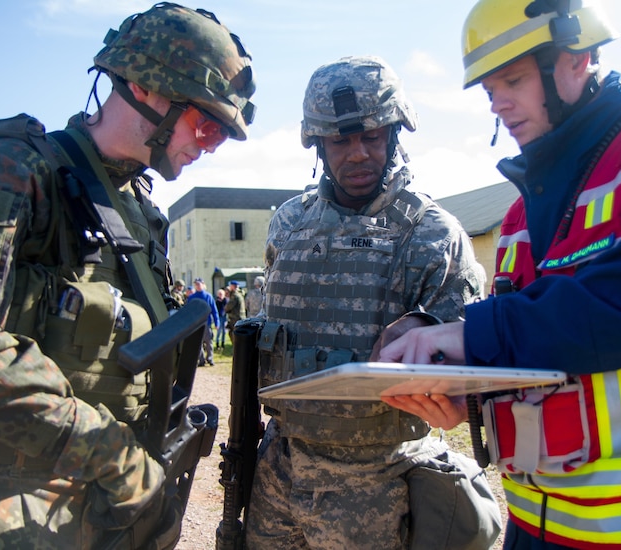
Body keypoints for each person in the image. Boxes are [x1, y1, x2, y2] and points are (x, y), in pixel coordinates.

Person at [378, 1, 621, 548]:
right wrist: (472, 394)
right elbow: (559, 356)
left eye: (513, 78)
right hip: (539, 531)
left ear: (577, 58)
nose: (499, 103)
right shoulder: (515, 221)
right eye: (489, 90)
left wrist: (476, 334)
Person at [0, 3, 255, 548]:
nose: (210, 142)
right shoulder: (8, 168)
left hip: (93, 508)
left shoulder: (143, 212)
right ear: (146, 89)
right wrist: (110, 454)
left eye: (222, 134)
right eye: (206, 121)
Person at [245, 55, 501, 550]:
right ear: (318, 145)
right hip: (280, 467)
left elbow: (466, 367)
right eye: (341, 140)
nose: (358, 154)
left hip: (375, 481)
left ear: (395, 134)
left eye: (372, 137)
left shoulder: (431, 234)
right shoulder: (288, 225)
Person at [187, 278, 220, 366]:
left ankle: (210, 358)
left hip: (207, 323)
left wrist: (217, 322)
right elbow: (188, 311)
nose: (198, 286)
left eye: (199, 284)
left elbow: (214, 310)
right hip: (196, 324)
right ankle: (201, 360)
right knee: (198, 343)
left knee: (209, 342)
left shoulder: (208, 296)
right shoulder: (191, 297)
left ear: (203, 284)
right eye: (196, 284)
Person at [224, 280, 245, 345]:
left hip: (235, 318)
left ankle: (236, 350)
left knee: (233, 334)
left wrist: (225, 308)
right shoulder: (240, 293)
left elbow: (228, 307)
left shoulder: (235, 295)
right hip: (240, 317)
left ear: (233, 286)